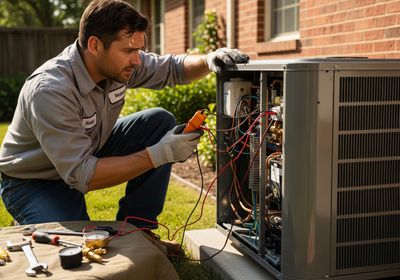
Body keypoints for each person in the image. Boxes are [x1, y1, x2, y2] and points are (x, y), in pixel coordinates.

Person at [0, 0, 248, 254]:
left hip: (86, 152)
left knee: (159, 122)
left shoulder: (117, 65)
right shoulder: (50, 90)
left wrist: (208, 60)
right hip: (33, 181)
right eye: (129, 50)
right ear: (95, 45)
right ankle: (30, 216)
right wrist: (161, 153)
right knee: (78, 248)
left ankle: (139, 231)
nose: (137, 60)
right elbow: (82, 175)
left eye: (140, 50)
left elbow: (172, 68)